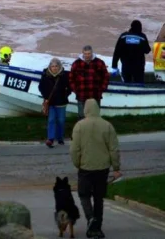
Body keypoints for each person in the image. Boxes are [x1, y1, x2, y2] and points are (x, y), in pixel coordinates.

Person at [70, 99, 121, 238]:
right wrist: (116, 167)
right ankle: (97, 226)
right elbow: (114, 149)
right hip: (102, 168)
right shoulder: (107, 126)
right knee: (99, 198)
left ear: (85, 110)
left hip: (85, 167)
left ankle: (90, 218)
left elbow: (74, 149)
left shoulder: (79, 126)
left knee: (84, 195)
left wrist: (78, 163)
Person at [69, 45, 110, 120]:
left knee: (95, 115)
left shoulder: (99, 62)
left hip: (95, 94)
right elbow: (71, 78)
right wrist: (75, 90)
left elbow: (106, 76)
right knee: (81, 115)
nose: (87, 55)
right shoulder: (76, 63)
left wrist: (102, 88)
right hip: (81, 94)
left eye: (89, 53)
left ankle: (95, 127)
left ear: (92, 53)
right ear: (82, 53)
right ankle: (81, 127)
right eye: (85, 54)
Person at [38, 57, 72, 148]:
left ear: (59, 66)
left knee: (61, 121)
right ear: (50, 67)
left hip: (61, 102)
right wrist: (45, 97)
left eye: (56, 66)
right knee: (51, 120)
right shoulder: (45, 75)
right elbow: (41, 87)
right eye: (52, 66)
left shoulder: (64, 75)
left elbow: (70, 87)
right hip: (51, 103)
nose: (54, 68)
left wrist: (65, 95)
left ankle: (60, 137)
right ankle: (50, 139)